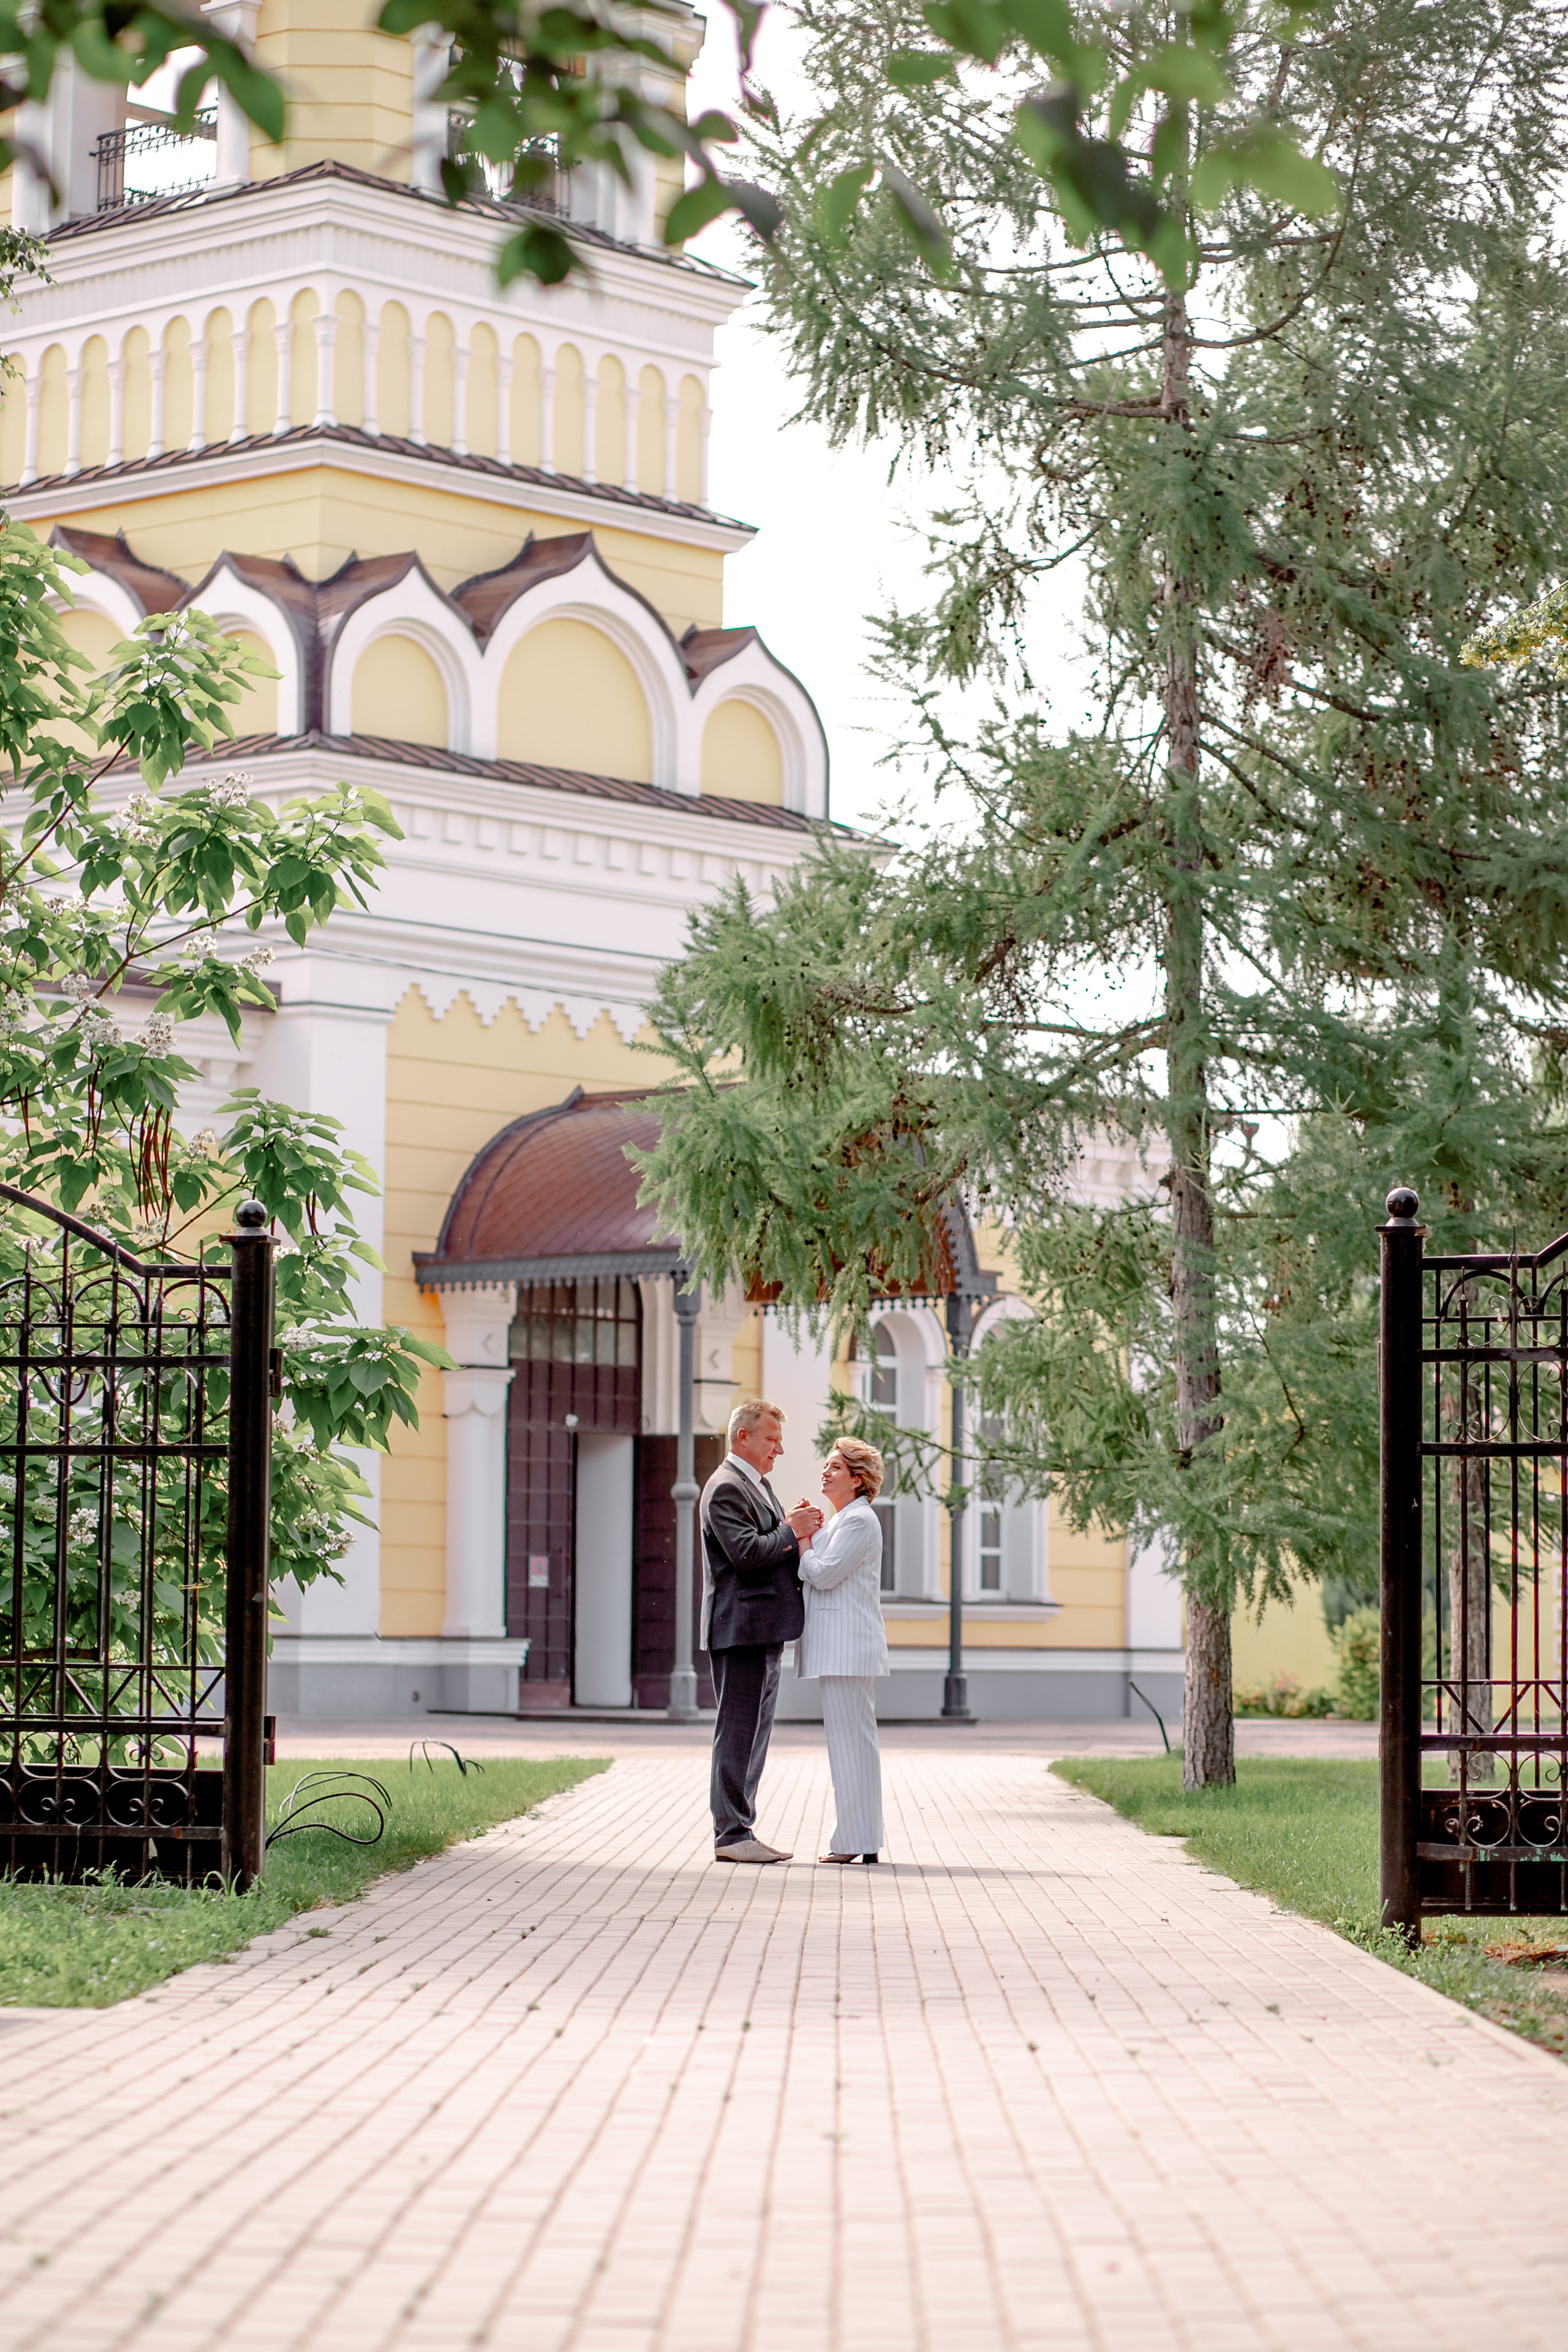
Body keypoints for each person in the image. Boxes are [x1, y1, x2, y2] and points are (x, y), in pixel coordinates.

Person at [700, 1398, 822, 1864]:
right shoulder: (726, 1487)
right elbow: (746, 1554)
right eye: (772, 1440)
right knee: (738, 1733)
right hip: (741, 1629)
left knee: (753, 1734)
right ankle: (731, 1835)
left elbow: (766, 1544)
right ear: (742, 1438)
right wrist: (791, 1530)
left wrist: (792, 1528)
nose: (779, 1450)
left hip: (760, 1628)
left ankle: (740, 1829)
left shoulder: (755, 1485)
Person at [797, 1437, 889, 1864]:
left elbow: (825, 1573)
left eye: (836, 1467)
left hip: (848, 1649)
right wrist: (813, 1535)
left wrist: (802, 1540)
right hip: (843, 1648)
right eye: (827, 1465)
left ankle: (854, 1841)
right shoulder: (844, 1520)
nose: (826, 1472)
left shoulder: (857, 1521)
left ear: (857, 1480)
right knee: (851, 1744)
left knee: (851, 1745)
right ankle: (859, 1839)